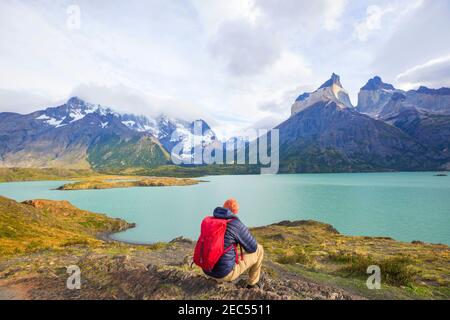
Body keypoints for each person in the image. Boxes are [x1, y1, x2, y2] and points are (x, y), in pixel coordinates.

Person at [197, 198, 264, 288]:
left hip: (206, 269)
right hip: (223, 274)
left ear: (223, 208)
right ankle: (252, 284)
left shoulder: (211, 221)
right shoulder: (235, 224)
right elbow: (253, 248)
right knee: (259, 249)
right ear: (235, 211)